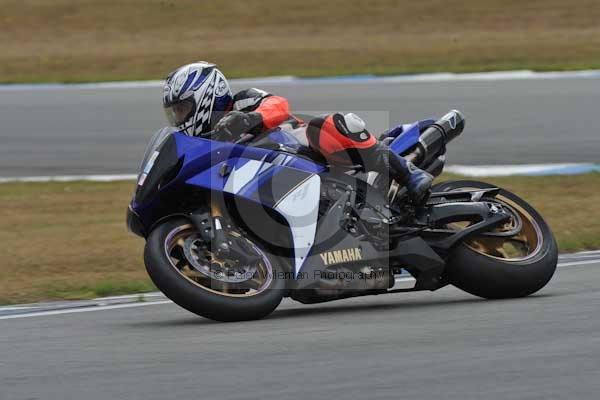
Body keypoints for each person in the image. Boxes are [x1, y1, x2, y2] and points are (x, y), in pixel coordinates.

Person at [162, 61, 432, 204]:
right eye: (175, 112)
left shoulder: (242, 101)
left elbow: (278, 105)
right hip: (275, 185)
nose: (180, 118)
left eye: (183, 109)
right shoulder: (203, 141)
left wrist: (250, 118)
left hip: (307, 152)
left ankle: (408, 172)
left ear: (208, 95)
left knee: (326, 124)